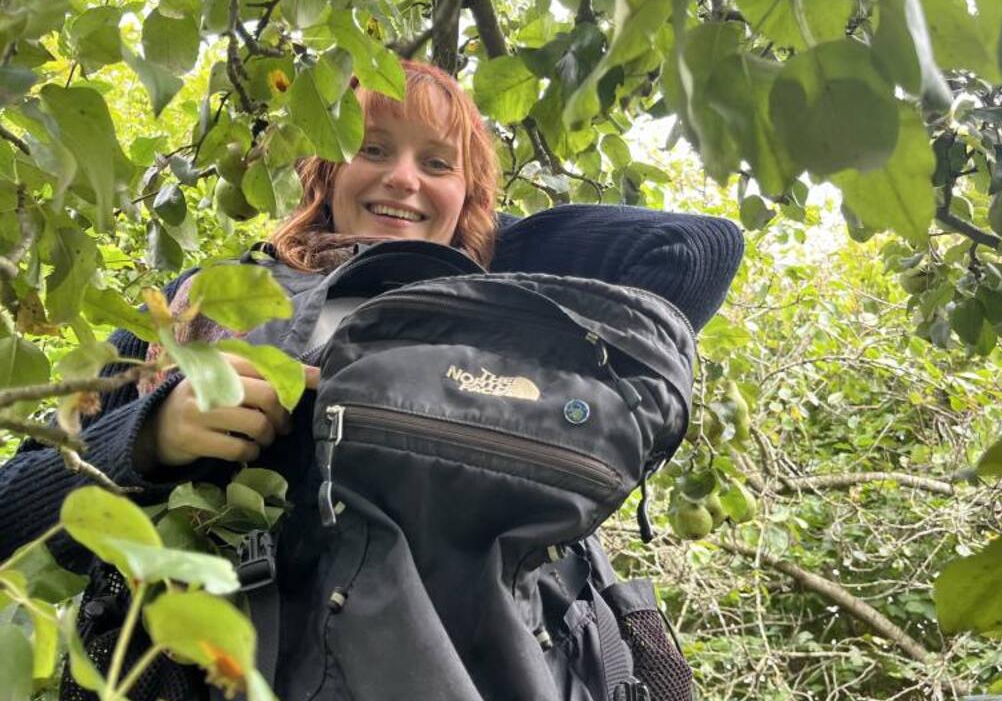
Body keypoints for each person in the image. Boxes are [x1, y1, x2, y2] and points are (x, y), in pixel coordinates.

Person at [0, 59, 743, 698]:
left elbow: (697, 249)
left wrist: (459, 246)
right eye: (371, 148)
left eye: (437, 163)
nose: (402, 177)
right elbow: (11, 514)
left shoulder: (507, 324)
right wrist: (148, 437)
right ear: (326, 168)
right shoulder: (209, 302)